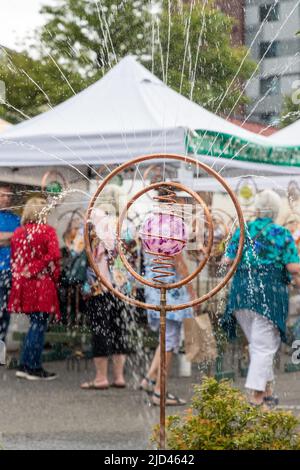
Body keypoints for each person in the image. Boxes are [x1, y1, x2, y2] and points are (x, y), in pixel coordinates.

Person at [222, 190, 300, 408]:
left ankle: (267, 393)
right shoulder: (281, 233)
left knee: (258, 346)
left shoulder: (242, 231)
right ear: (275, 211)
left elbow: (226, 260)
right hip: (269, 295)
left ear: (257, 208)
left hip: (241, 294)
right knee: (265, 347)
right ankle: (256, 396)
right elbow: (293, 267)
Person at [9, 197, 61, 381]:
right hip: (41, 284)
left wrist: (24, 273)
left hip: (24, 284)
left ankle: (24, 364)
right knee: (39, 325)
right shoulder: (47, 231)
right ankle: (32, 367)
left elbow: (15, 260)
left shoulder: (18, 233)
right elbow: (55, 254)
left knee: (34, 324)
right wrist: (37, 267)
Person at [81, 209, 132, 390]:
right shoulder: (124, 226)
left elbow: (77, 251)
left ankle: (101, 377)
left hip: (98, 288)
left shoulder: (90, 229)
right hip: (120, 288)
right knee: (119, 330)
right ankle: (119, 377)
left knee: (100, 331)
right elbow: (131, 253)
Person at [140, 252, 196, 406]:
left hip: (153, 283)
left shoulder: (149, 228)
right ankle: (159, 391)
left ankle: (150, 378)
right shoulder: (170, 230)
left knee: (165, 336)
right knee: (170, 339)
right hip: (169, 285)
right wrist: (192, 292)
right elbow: (178, 261)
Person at [0, 183, 20, 341]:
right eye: (2, 195)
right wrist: (12, 237)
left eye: (8, 196)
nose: (6, 199)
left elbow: (21, 240)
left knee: (5, 314)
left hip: (10, 272)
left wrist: (6, 237)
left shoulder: (16, 218)